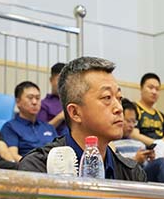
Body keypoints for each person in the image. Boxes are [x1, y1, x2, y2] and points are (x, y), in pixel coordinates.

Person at [18, 57, 146, 186]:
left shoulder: (132, 174)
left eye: (119, 98)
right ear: (75, 112)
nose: (119, 108)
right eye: (107, 97)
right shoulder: (38, 168)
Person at [111, 99, 164, 185]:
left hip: (143, 175)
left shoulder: (140, 144)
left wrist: (151, 159)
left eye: (134, 122)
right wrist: (135, 160)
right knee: (162, 162)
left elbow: (147, 167)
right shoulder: (113, 144)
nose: (131, 125)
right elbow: (116, 168)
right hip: (127, 178)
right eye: (128, 121)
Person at [2, 81, 56, 161]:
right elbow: (13, 156)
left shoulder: (48, 127)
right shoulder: (10, 127)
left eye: (37, 98)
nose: (34, 102)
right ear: (18, 102)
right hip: (27, 166)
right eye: (30, 98)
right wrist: (33, 165)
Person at [130, 73, 164, 146]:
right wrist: (158, 144)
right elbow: (133, 134)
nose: (154, 92)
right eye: (150, 88)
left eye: (157, 89)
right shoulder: (133, 108)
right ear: (141, 88)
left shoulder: (161, 115)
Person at [37, 62, 67, 135]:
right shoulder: (44, 104)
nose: (62, 84)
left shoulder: (73, 101)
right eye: (59, 80)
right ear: (51, 80)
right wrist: (60, 117)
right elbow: (41, 131)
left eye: (65, 81)